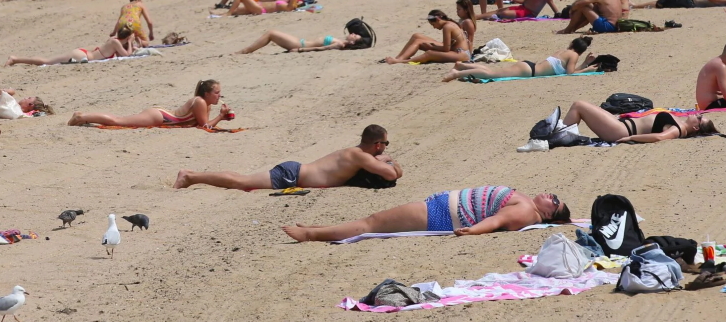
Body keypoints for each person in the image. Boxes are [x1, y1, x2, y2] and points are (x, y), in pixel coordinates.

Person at [282, 184, 569, 242]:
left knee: (372, 224)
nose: (550, 195)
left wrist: (471, 231)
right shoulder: (527, 204)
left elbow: (496, 221)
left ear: (548, 215)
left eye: (554, 201)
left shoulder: (525, 213)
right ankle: (319, 228)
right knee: (374, 220)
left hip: (440, 217)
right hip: (442, 208)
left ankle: (310, 235)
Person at [176, 124, 401, 191]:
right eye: (385, 145)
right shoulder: (359, 156)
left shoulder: (356, 153)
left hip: (294, 173)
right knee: (241, 182)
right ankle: (190, 177)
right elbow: (393, 173)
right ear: (378, 144)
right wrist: (388, 159)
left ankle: (193, 176)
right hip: (292, 176)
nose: (385, 149)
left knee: (241, 181)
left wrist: (385, 159)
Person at [68, 79, 232, 129]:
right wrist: (221, 116)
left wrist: (220, 117)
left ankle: (83, 117)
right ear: (207, 93)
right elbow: (206, 127)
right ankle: (82, 116)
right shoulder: (200, 102)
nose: (219, 96)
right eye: (217, 93)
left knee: (120, 120)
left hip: (161, 115)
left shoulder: (204, 103)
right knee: (118, 121)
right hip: (159, 117)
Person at [552, 101, 720, 144]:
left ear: (696, 127)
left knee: (579, 105)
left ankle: (560, 136)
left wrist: (630, 139)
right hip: (622, 124)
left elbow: (659, 138)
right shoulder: (680, 123)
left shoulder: (678, 129)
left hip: (621, 131)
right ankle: (562, 133)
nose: (697, 114)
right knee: (583, 107)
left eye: (699, 118)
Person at [441, 36, 597, 81]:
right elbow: (571, 73)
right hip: (530, 71)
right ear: (581, 51)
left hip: (529, 66)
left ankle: (462, 67)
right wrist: (588, 68)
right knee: (492, 74)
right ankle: (457, 73)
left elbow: (569, 69)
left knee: (494, 71)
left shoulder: (563, 51)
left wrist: (585, 64)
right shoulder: (574, 55)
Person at [6, 25, 138, 66]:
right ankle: (16, 59)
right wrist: (131, 42)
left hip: (83, 53)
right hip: (82, 55)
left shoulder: (115, 41)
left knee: (47, 61)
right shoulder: (115, 42)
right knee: (46, 61)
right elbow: (127, 55)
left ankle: (16, 59)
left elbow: (123, 53)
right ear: (126, 37)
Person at [383, 10, 470, 64]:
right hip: (454, 50)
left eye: (433, 24)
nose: (434, 27)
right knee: (417, 36)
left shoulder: (447, 27)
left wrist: (432, 47)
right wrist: (434, 46)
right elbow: (447, 46)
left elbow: (446, 49)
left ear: (438, 20)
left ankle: (401, 61)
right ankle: (399, 58)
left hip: (461, 54)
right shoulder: (449, 23)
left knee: (429, 53)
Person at [237, 29, 372, 54]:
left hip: (299, 45)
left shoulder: (340, 44)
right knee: (271, 33)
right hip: (300, 41)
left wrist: (300, 50)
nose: (353, 34)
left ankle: (246, 50)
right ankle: (247, 50)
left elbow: (321, 49)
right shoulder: (342, 42)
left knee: (271, 33)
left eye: (355, 36)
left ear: (353, 43)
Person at [225, 0, 303, 16]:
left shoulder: (286, 7)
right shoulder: (285, 0)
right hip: (258, 6)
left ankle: (227, 14)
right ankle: (220, 14)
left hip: (260, 9)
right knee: (236, 11)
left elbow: (290, 8)